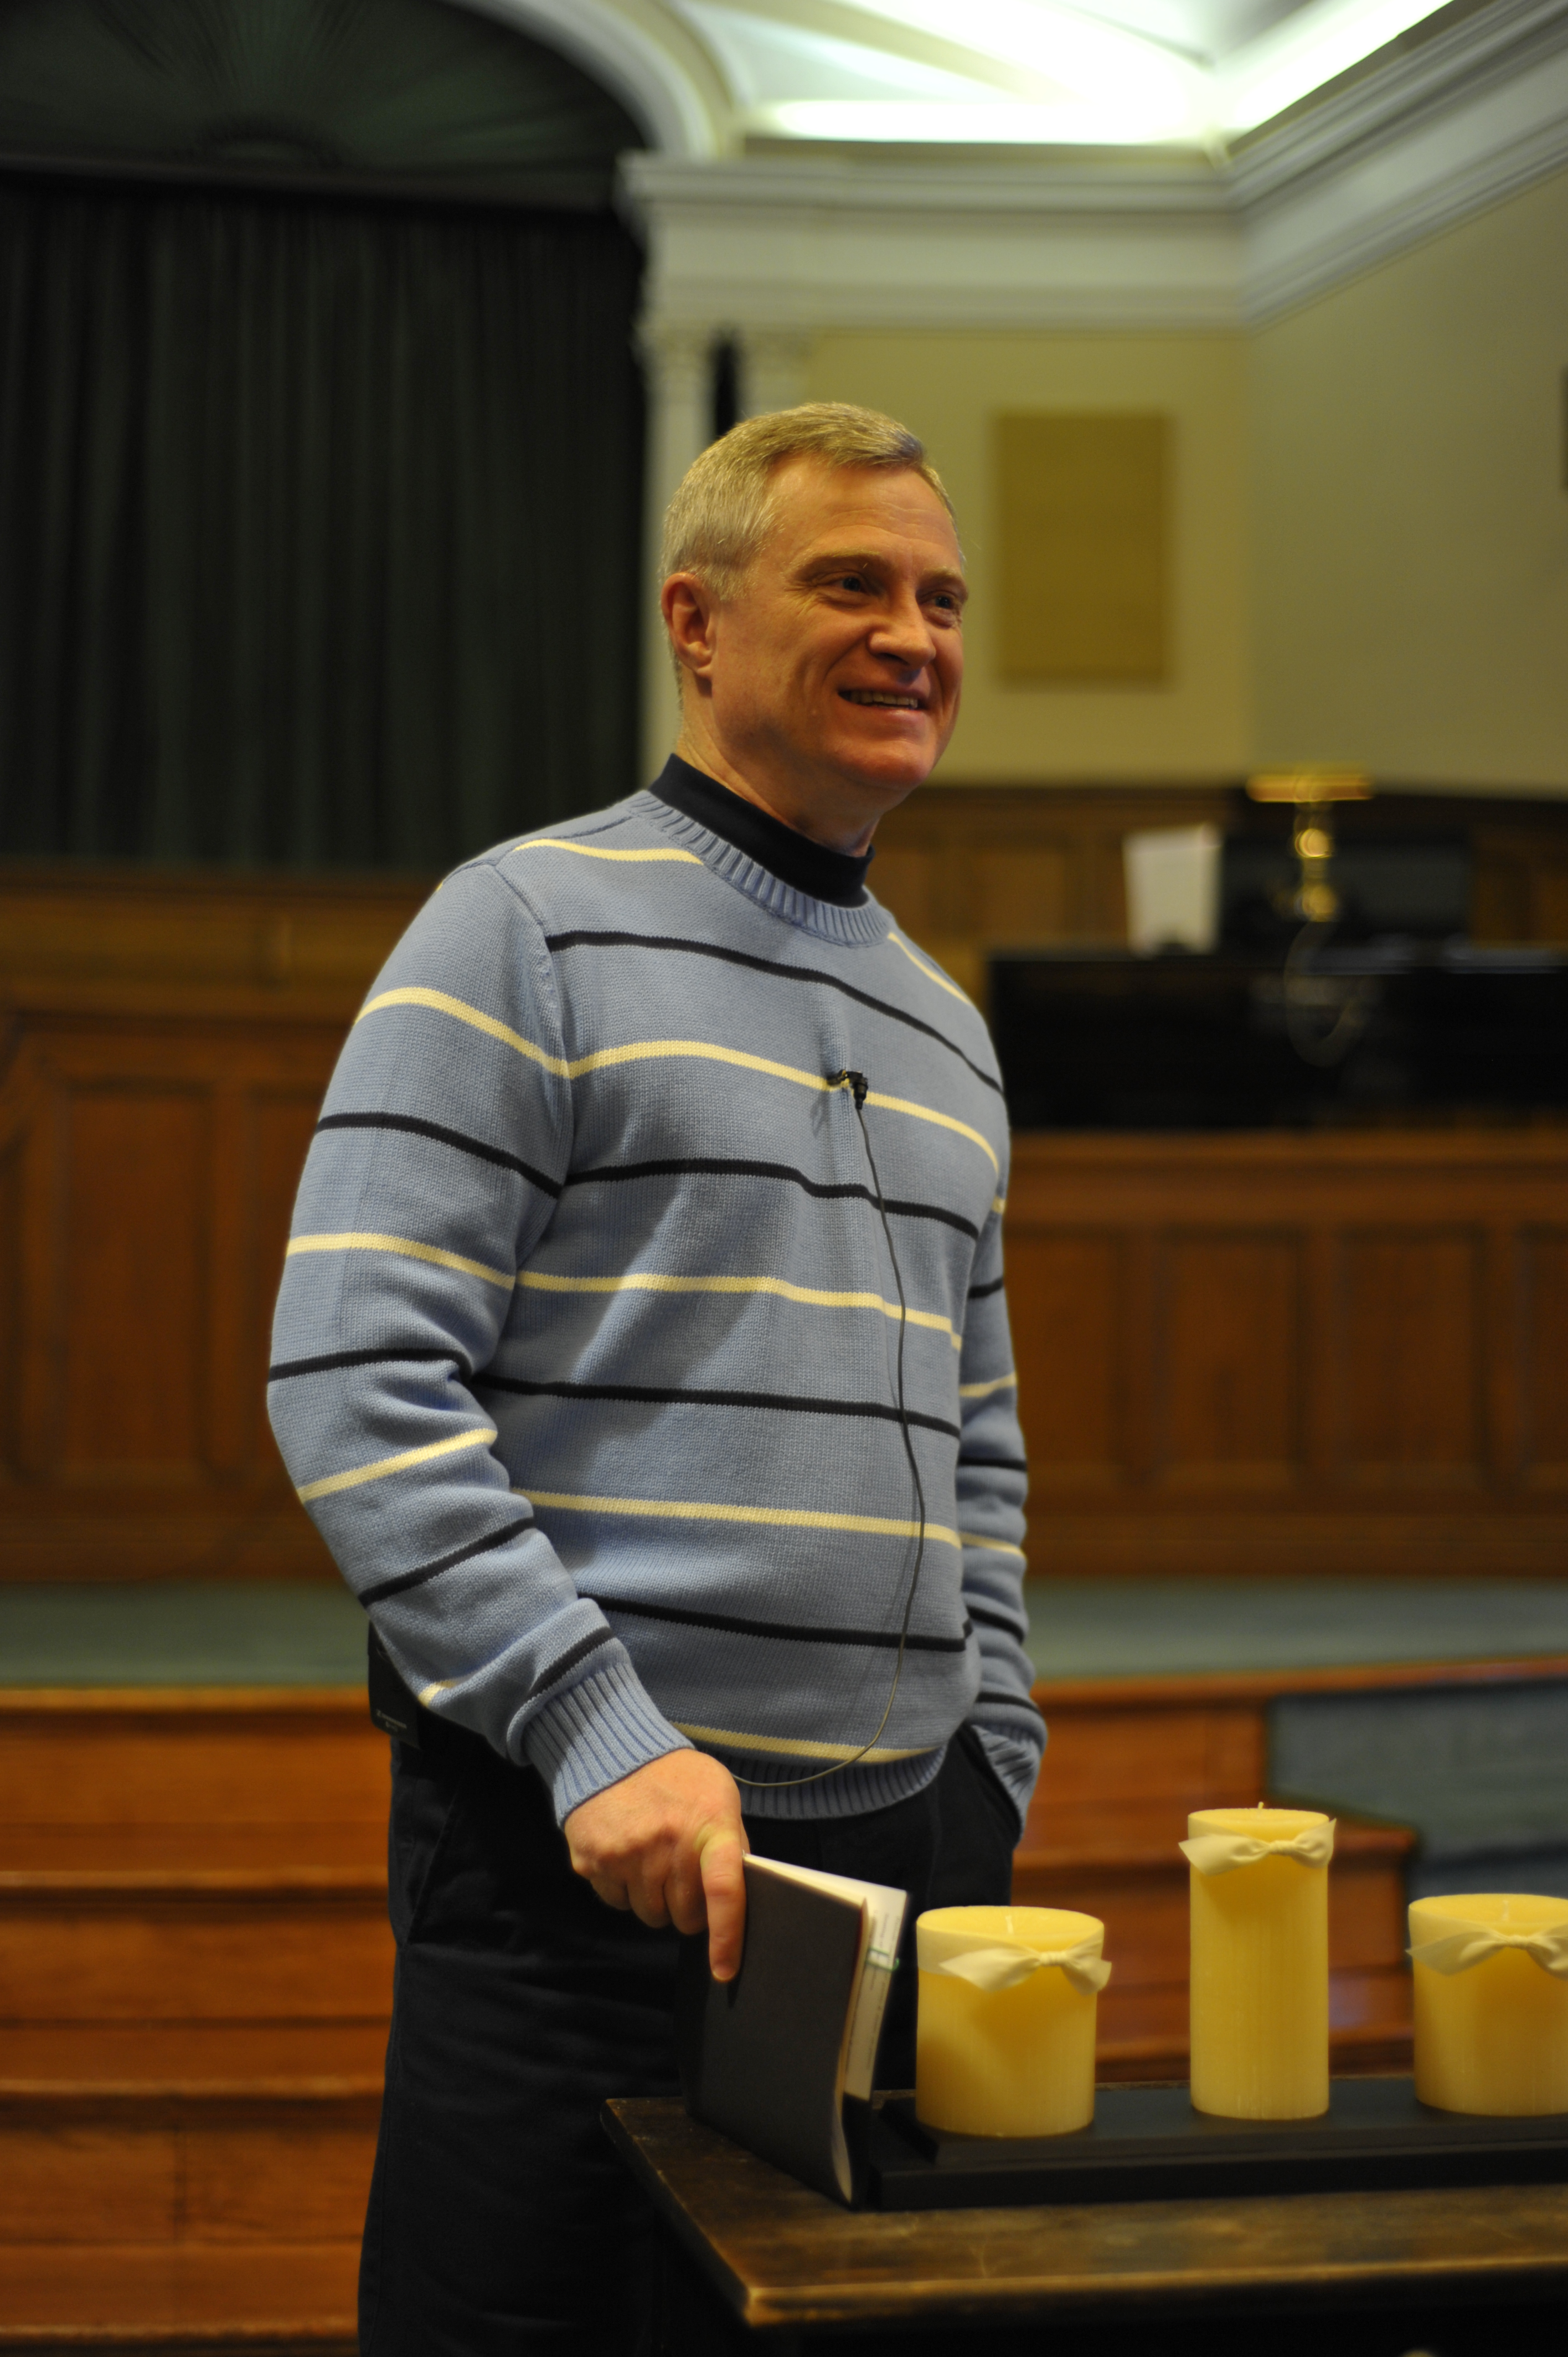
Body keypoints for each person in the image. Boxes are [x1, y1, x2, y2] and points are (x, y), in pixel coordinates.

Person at [267, 402, 1043, 2354]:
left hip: (892, 1878)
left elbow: (978, 1440)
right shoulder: (521, 925)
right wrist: (592, 1729)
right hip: (585, 1869)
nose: (914, 636)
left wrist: (992, 1757)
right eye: (851, 584)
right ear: (697, 624)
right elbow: (353, 1367)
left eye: (943, 599)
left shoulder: (948, 1027)